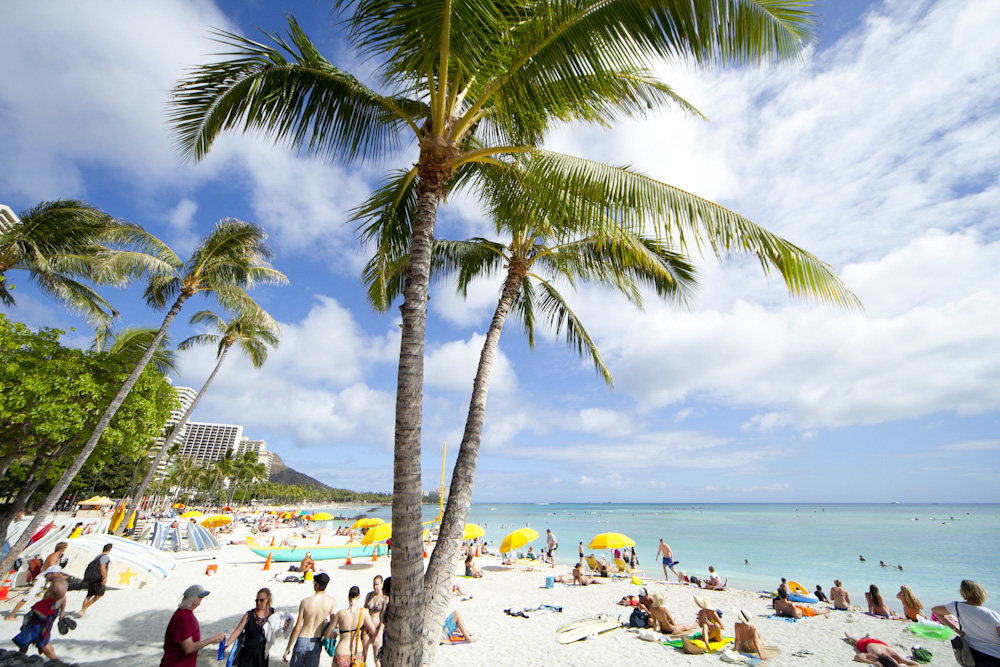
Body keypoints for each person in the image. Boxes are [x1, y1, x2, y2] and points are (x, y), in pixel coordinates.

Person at [931, 580, 1000, 666]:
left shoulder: (956, 606)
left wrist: (957, 630)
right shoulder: (992, 614)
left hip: (971, 655)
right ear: (982, 593)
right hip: (994, 656)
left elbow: (935, 611)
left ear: (963, 593)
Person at [160, 585, 226, 667]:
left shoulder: (187, 614)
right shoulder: (183, 617)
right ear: (193, 599)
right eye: (200, 597)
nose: (202, 599)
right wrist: (212, 639)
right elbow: (188, 648)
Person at [7, 541, 70, 621]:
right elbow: (51, 569)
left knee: (55, 595)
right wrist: (61, 576)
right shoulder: (54, 556)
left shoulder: (57, 556)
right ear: (62, 549)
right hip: (42, 578)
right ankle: (11, 616)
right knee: (29, 596)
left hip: (46, 578)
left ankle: (46, 613)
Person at [284, 572, 336, 666]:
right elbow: (333, 623)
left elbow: (297, 628)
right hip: (316, 642)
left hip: (302, 639)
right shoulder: (331, 602)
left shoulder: (305, 601)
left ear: (317, 585)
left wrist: (288, 648)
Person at [12, 575, 67, 660]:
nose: (46, 576)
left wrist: (50, 603)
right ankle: (20, 656)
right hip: (45, 613)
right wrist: (62, 612)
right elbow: (63, 597)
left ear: (52, 573)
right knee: (28, 637)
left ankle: (56, 661)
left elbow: (61, 594)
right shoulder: (60, 583)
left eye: (47, 574)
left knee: (42, 641)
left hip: (44, 614)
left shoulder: (57, 583)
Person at [226, 588, 282, 667]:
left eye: (261, 600)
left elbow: (277, 630)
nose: (259, 603)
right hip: (247, 654)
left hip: (262, 655)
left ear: (268, 598)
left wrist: (284, 626)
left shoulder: (272, 613)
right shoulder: (249, 614)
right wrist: (228, 642)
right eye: (257, 601)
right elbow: (238, 631)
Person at [325, 586, 376, 667]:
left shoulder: (340, 613)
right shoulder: (363, 612)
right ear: (358, 596)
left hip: (342, 650)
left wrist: (333, 634)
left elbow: (327, 634)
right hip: (356, 651)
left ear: (348, 597)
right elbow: (373, 631)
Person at [79, 542, 112, 617]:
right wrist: (104, 577)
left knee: (89, 595)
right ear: (110, 549)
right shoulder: (105, 557)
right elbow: (102, 567)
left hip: (92, 577)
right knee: (99, 594)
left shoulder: (98, 556)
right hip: (98, 578)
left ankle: (83, 610)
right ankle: (83, 609)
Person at [846, 633, 920, 666]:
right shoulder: (875, 656)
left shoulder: (896, 656)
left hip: (880, 643)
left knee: (861, 640)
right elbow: (857, 656)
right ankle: (849, 637)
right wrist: (871, 662)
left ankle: (866, 637)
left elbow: (917, 665)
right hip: (866, 643)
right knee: (856, 641)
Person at [363, 575, 388, 662]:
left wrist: (379, 632)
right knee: (363, 655)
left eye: (377, 584)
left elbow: (383, 616)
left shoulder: (383, 598)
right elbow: (364, 610)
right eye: (374, 584)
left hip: (377, 628)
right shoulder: (369, 595)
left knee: (376, 659)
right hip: (367, 628)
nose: (375, 587)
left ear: (382, 584)